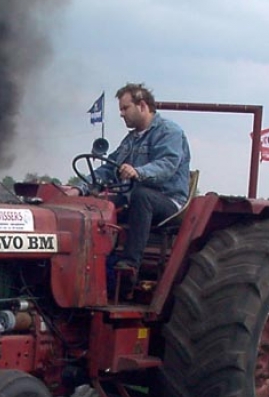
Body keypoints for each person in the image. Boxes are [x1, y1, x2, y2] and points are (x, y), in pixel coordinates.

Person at [77, 83, 191, 276]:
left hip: (168, 200)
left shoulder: (170, 132)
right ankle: (93, 262)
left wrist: (137, 172)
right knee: (97, 205)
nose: (121, 114)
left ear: (142, 105)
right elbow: (109, 167)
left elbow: (167, 165)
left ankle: (130, 264)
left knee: (141, 196)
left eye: (125, 108)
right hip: (135, 198)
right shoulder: (130, 140)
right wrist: (80, 188)